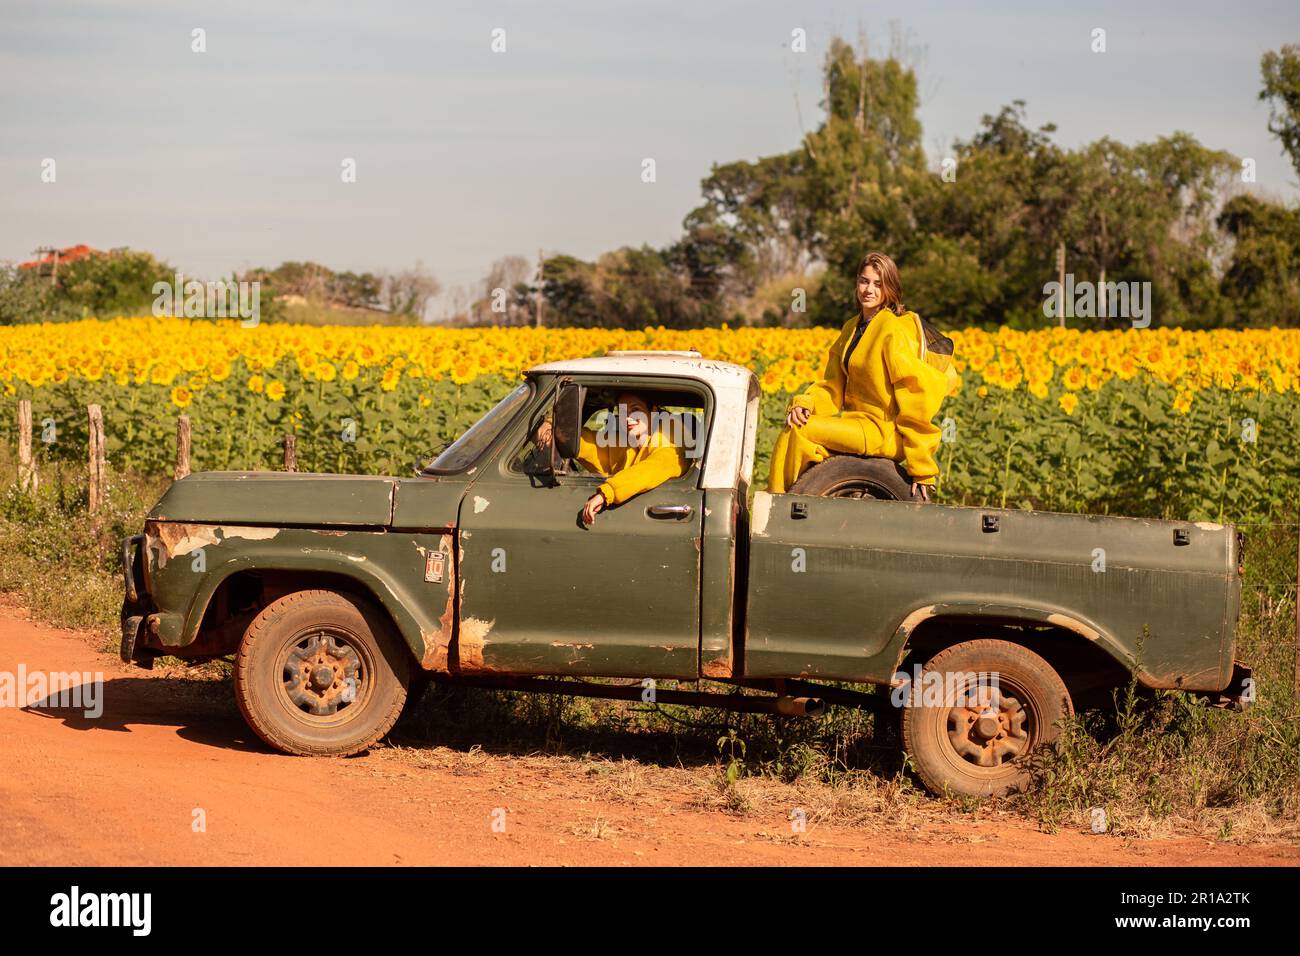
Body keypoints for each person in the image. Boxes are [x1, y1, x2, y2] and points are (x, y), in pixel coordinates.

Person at [767, 251, 957, 498]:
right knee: (798, 424)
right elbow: (833, 387)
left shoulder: (892, 329)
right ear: (857, 283)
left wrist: (922, 468)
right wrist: (806, 404)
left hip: (882, 431)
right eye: (864, 281)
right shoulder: (851, 327)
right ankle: (798, 498)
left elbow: (915, 396)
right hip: (855, 424)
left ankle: (777, 503)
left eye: (878, 284)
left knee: (800, 431)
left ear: (890, 289)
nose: (869, 289)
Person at [534, 391, 691, 527]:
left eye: (636, 410)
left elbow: (651, 468)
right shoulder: (623, 443)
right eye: (623, 412)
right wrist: (551, 429)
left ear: (653, 411)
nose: (628, 418)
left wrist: (606, 493)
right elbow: (589, 446)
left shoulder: (673, 443)